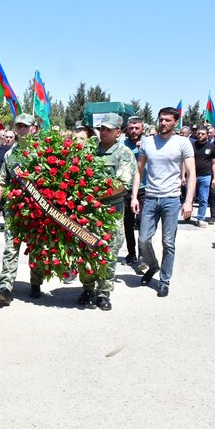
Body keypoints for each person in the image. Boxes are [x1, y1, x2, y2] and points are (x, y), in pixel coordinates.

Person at [130, 107, 196, 297]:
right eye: (161, 120)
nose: (163, 123)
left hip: (171, 199)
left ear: (175, 122)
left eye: (167, 120)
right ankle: (153, 266)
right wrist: (135, 196)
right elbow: (139, 170)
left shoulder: (183, 143)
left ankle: (165, 280)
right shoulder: (147, 142)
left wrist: (188, 201)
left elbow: (191, 173)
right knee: (143, 240)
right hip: (150, 197)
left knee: (169, 243)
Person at [78, 113, 137, 310]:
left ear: (118, 132)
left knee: (108, 253)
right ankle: (87, 288)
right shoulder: (90, 150)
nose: (104, 132)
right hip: (88, 213)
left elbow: (121, 184)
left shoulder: (124, 153)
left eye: (108, 129)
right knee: (86, 251)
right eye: (102, 128)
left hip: (112, 212)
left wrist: (94, 195)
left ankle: (103, 292)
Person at [0, 112, 45, 305]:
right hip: (14, 209)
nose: (21, 129)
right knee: (10, 248)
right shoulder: (10, 154)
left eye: (24, 126)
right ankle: (5, 287)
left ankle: (36, 283)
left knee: (36, 249)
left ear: (33, 128)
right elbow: (2, 180)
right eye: (18, 126)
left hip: (36, 210)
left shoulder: (42, 152)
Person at [123, 116, 146, 266]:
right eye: (131, 128)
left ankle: (143, 256)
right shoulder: (121, 145)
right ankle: (132, 254)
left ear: (142, 129)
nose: (134, 131)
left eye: (137, 128)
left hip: (145, 190)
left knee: (144, 224)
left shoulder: (148, 144)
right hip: (126, 189)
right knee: (128, 224)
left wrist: (143, 150)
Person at [191, 127, 215, 227]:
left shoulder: (211, 146)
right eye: (199, 133)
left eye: (202, 134)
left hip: (205, 176)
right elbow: (185, 161)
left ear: (207, 135)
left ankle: (200, 218)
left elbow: (214, 163)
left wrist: (214, 178)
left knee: (203, 198)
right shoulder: (192, 145)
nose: (200, 135)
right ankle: (187, 214)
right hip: (192, 176)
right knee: (190, 197)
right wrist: (183, 176)